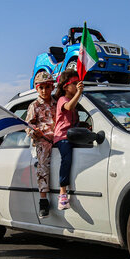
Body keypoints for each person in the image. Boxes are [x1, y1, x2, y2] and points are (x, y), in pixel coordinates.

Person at [25, 72, 56, 218]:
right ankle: (43, 201)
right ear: (37, 89)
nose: (45, 90)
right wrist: (34, 133)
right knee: (43, 164)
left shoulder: (58, 103)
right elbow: (28, 126)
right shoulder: (34, 105)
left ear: (53, 87)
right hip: (43, 141)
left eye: (48, 87)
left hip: (58, 139)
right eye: (41, 87)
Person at [53, 69, 84, 210]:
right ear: (66, 87)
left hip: (73, 135)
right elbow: (69, 106)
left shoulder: (75, 103)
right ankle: (63, 192)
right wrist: (79, 93)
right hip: (62, 137)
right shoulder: (62, 100)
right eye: (75, 83)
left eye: (79, 83)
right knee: (67, 158)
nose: (78, 85)